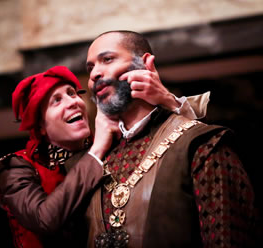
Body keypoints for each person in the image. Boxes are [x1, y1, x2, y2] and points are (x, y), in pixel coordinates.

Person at [0, 65, 206, 248]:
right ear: (41, 127)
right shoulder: (17, 167)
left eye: (72, 93)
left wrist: (167, 99)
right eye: (56, 100)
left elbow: (171, 145)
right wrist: (96, 152)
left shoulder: (110, 147)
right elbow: (44, 219)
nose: (72, 102)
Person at [85, 30, 257, 248]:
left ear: (145, 63)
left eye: (107, 59)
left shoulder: (203, 145)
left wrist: (169, 100)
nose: (94, 74)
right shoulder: (96, 157)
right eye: (90, 68)